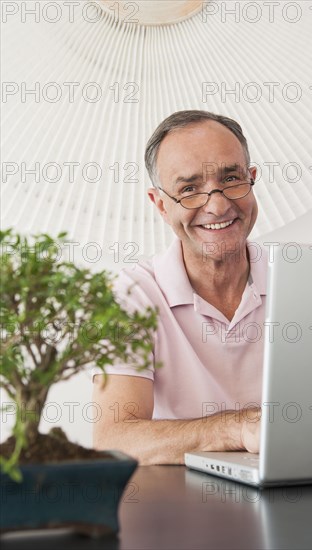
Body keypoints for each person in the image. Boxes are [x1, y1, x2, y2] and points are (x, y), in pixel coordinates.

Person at [92, 110, 267, 464]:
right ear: (160, 205)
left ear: (250, 179)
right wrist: (238, 429)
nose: (217, 206)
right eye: (189, 190)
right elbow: (113, 438)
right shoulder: (129, 297)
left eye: (231, 179)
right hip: (178, 503)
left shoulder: (308, 283)